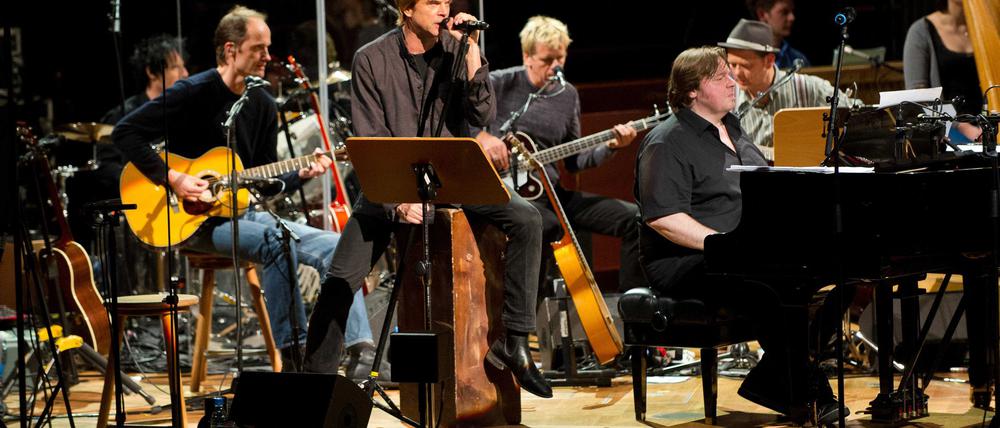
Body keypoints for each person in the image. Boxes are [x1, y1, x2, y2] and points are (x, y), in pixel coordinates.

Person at [304, 0, 553, 398]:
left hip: (452, 178)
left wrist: (472, 50)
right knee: (339, 281)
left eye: (447, 3)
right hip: (390, 185)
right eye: (433, 2)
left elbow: (482, 115)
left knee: (527, 218)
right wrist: (397, 200)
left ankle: (516, 340)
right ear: (406, 9)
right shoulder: (371, 59)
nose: (444, 10)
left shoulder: (459, 50)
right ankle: (314, 389)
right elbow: (370, 138)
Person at [113, 5, 339, 371]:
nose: (268, 56)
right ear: (231, 50)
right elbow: (125, 133)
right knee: (278, 244)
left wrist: (304, 173)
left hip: (241, 215)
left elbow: (261, 184)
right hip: (193, 223)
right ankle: (297, 359)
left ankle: (355, 351)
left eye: (268, 48)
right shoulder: (193, 92)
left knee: (335, 246)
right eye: (258, 48)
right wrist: (175, 179)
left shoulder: (262, 103)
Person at [634, 46, 846, 424]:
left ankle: (774, 379)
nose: (733, 83)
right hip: (687, 260)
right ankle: (809, 393)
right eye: (721, 77)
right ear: (692, 91)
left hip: (742, 251)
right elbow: (663, 217)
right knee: (770, 290)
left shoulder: (733, 127)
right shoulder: (667, 141)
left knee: (841, 271)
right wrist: (722, 243)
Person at [474, 16, 643, 294]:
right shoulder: (499, 83)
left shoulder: (568, 95)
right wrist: (484, 137)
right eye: (547, 59)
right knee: (539, 224)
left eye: (560, 58)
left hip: (553, 195)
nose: (555, 67)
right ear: (527, 56)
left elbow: (576, 161)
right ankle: (525, 327)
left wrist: (610, 147)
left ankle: (634, 310)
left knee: (635, 219)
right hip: (507, 195)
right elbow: (460, 123)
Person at [720, 19, 858, 162]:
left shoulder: (806, 87)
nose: (737, 73)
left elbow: (858, 115)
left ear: (769, 60)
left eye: (745, 66)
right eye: (732, 64)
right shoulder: (727, 95)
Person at [903, 0, 983, 142]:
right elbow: (919, 98)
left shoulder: (985, 27)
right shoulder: (921, 31)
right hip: (947, 132)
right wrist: (963, 127)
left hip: (987, 125)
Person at [746, 0, 808, 70]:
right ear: (762, 14)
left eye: (792, 11)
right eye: (784, 12)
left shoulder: (798, 60)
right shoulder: (744, 57)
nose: (792, 18)